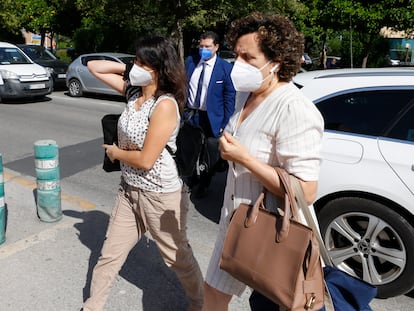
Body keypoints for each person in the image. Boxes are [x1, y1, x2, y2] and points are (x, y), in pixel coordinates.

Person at [201, 12, 324, 310]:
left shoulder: (295, 109)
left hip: (273, 230)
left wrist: (244, 158)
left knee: (274, 301)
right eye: (237, 55)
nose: (238, 64)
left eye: (249, 57)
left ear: (277, 62)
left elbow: (306, 191)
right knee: (213, 293)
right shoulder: (248, 94)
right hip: (235, 217)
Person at [83, 35, 204, 311]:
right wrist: (130, 68)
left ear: (158, 69)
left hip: (160, 196)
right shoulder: (133, 92)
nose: (134, 66)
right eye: (134, 61)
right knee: (108, 256)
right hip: (129, 191)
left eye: (140, 62)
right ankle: (92, 306)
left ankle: (201, 303)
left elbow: (147, 159)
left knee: (177, 258)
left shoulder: (165, 105)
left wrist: (115, 153)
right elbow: (94, 67)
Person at [185, 31, 236, 197]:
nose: (203, 49)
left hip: (213, 118)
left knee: (209, 153)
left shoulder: (225, 68)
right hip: (192, 115)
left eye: (207, 46)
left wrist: (225, 124)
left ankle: (205, 182)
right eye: (201, 46)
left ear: (216, 47)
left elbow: (230, 98)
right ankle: (192, 177)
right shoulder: (191, 62)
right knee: (191, 148)